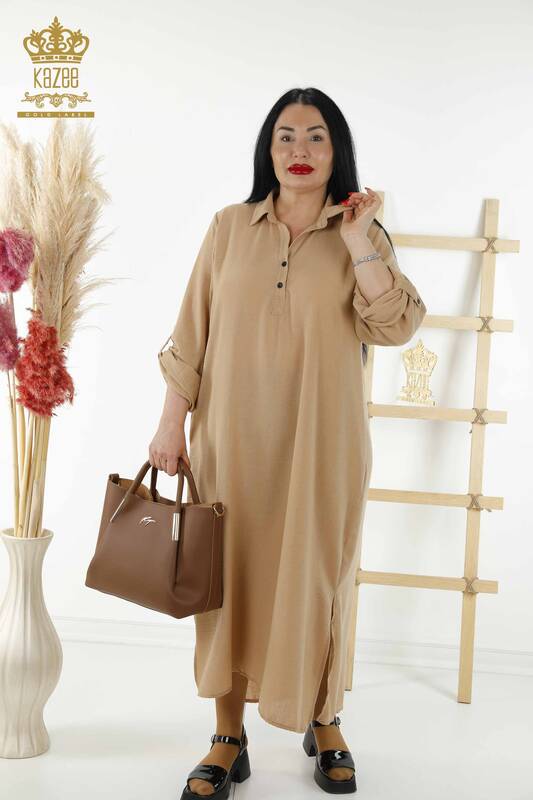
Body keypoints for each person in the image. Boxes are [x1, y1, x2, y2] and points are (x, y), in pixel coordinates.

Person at [149, 86, 427, 798]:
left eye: (315, 137)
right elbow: (191, 332)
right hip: (232, 440)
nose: (299, 151)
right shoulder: (228, 227)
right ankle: (227, 735)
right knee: (226, 578)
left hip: (323, 442)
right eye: (285, 136)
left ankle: (324, 719)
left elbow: (394, 326)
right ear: (266, 149)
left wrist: (357, 237)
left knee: (319, 577)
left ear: (337, 151)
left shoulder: (362, 233)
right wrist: (171, 421)